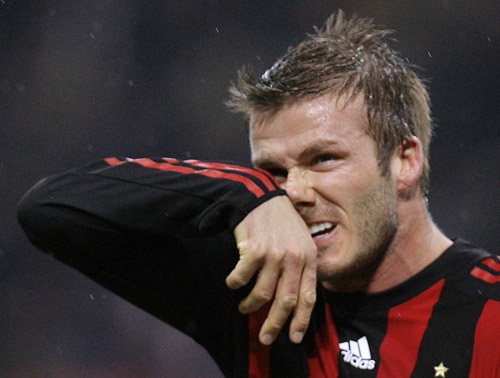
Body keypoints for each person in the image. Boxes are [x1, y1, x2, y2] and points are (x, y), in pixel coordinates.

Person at [17, 11, 499, 378]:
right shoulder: (253, 292)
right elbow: (49, 209)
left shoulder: (491, 313)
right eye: (271, 170)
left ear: (404, 161)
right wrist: (246, 198)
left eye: (324, 159)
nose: (295, 191)